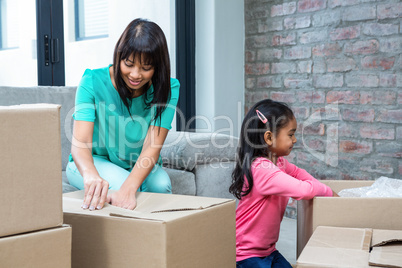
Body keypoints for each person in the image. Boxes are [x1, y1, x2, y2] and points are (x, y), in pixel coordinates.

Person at [66, 18, 180, 211]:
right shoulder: (92, 81)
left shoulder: (169, 88)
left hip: (137, 162)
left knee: (161, 186)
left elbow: (152, 147)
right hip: (93, 161)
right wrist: (91, 174)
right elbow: (81, 144)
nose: (135, 74)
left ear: (157, 67)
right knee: (120, 186)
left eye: (146, 68)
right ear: (119, 57)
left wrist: (130, 188)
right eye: (128, 64)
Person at [229, 99, 338, 268]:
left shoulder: (278, 162)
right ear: (269, 137)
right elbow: (303, 190)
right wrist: (329, 192)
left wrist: (318, 186)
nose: (294, 140)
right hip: (247, 254)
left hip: (268, 250)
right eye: (290, 134)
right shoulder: (262, 168)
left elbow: (299, 174)